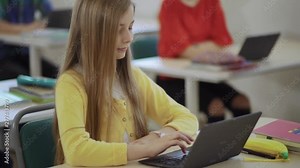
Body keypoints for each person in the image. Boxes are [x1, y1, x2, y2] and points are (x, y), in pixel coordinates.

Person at [54, 0, 198, 167]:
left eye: (130, 27)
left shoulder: (133, 76)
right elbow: (76, 150)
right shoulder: (71, 84)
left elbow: (187, 118)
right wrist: (143, 150)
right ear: (92, 32)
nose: (129, 38)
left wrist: (156, 137)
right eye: (117, 30)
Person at [158, 0, 251, 123]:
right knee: (215, 107)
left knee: (241, 102)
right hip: (174, 79)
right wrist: (208, 47)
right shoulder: (170, 4)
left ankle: (240, 141)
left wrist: (196, 48)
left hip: (205, 76)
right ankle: (215, 142)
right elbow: (182, 49)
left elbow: (222, 41)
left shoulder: (211, 2)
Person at [0, 0, 58, 80]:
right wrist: (26, 28)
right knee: (24, 78)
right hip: (4, 56)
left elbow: (52, 14)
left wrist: (44, 24)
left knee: (58, 74)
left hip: (26, 54)